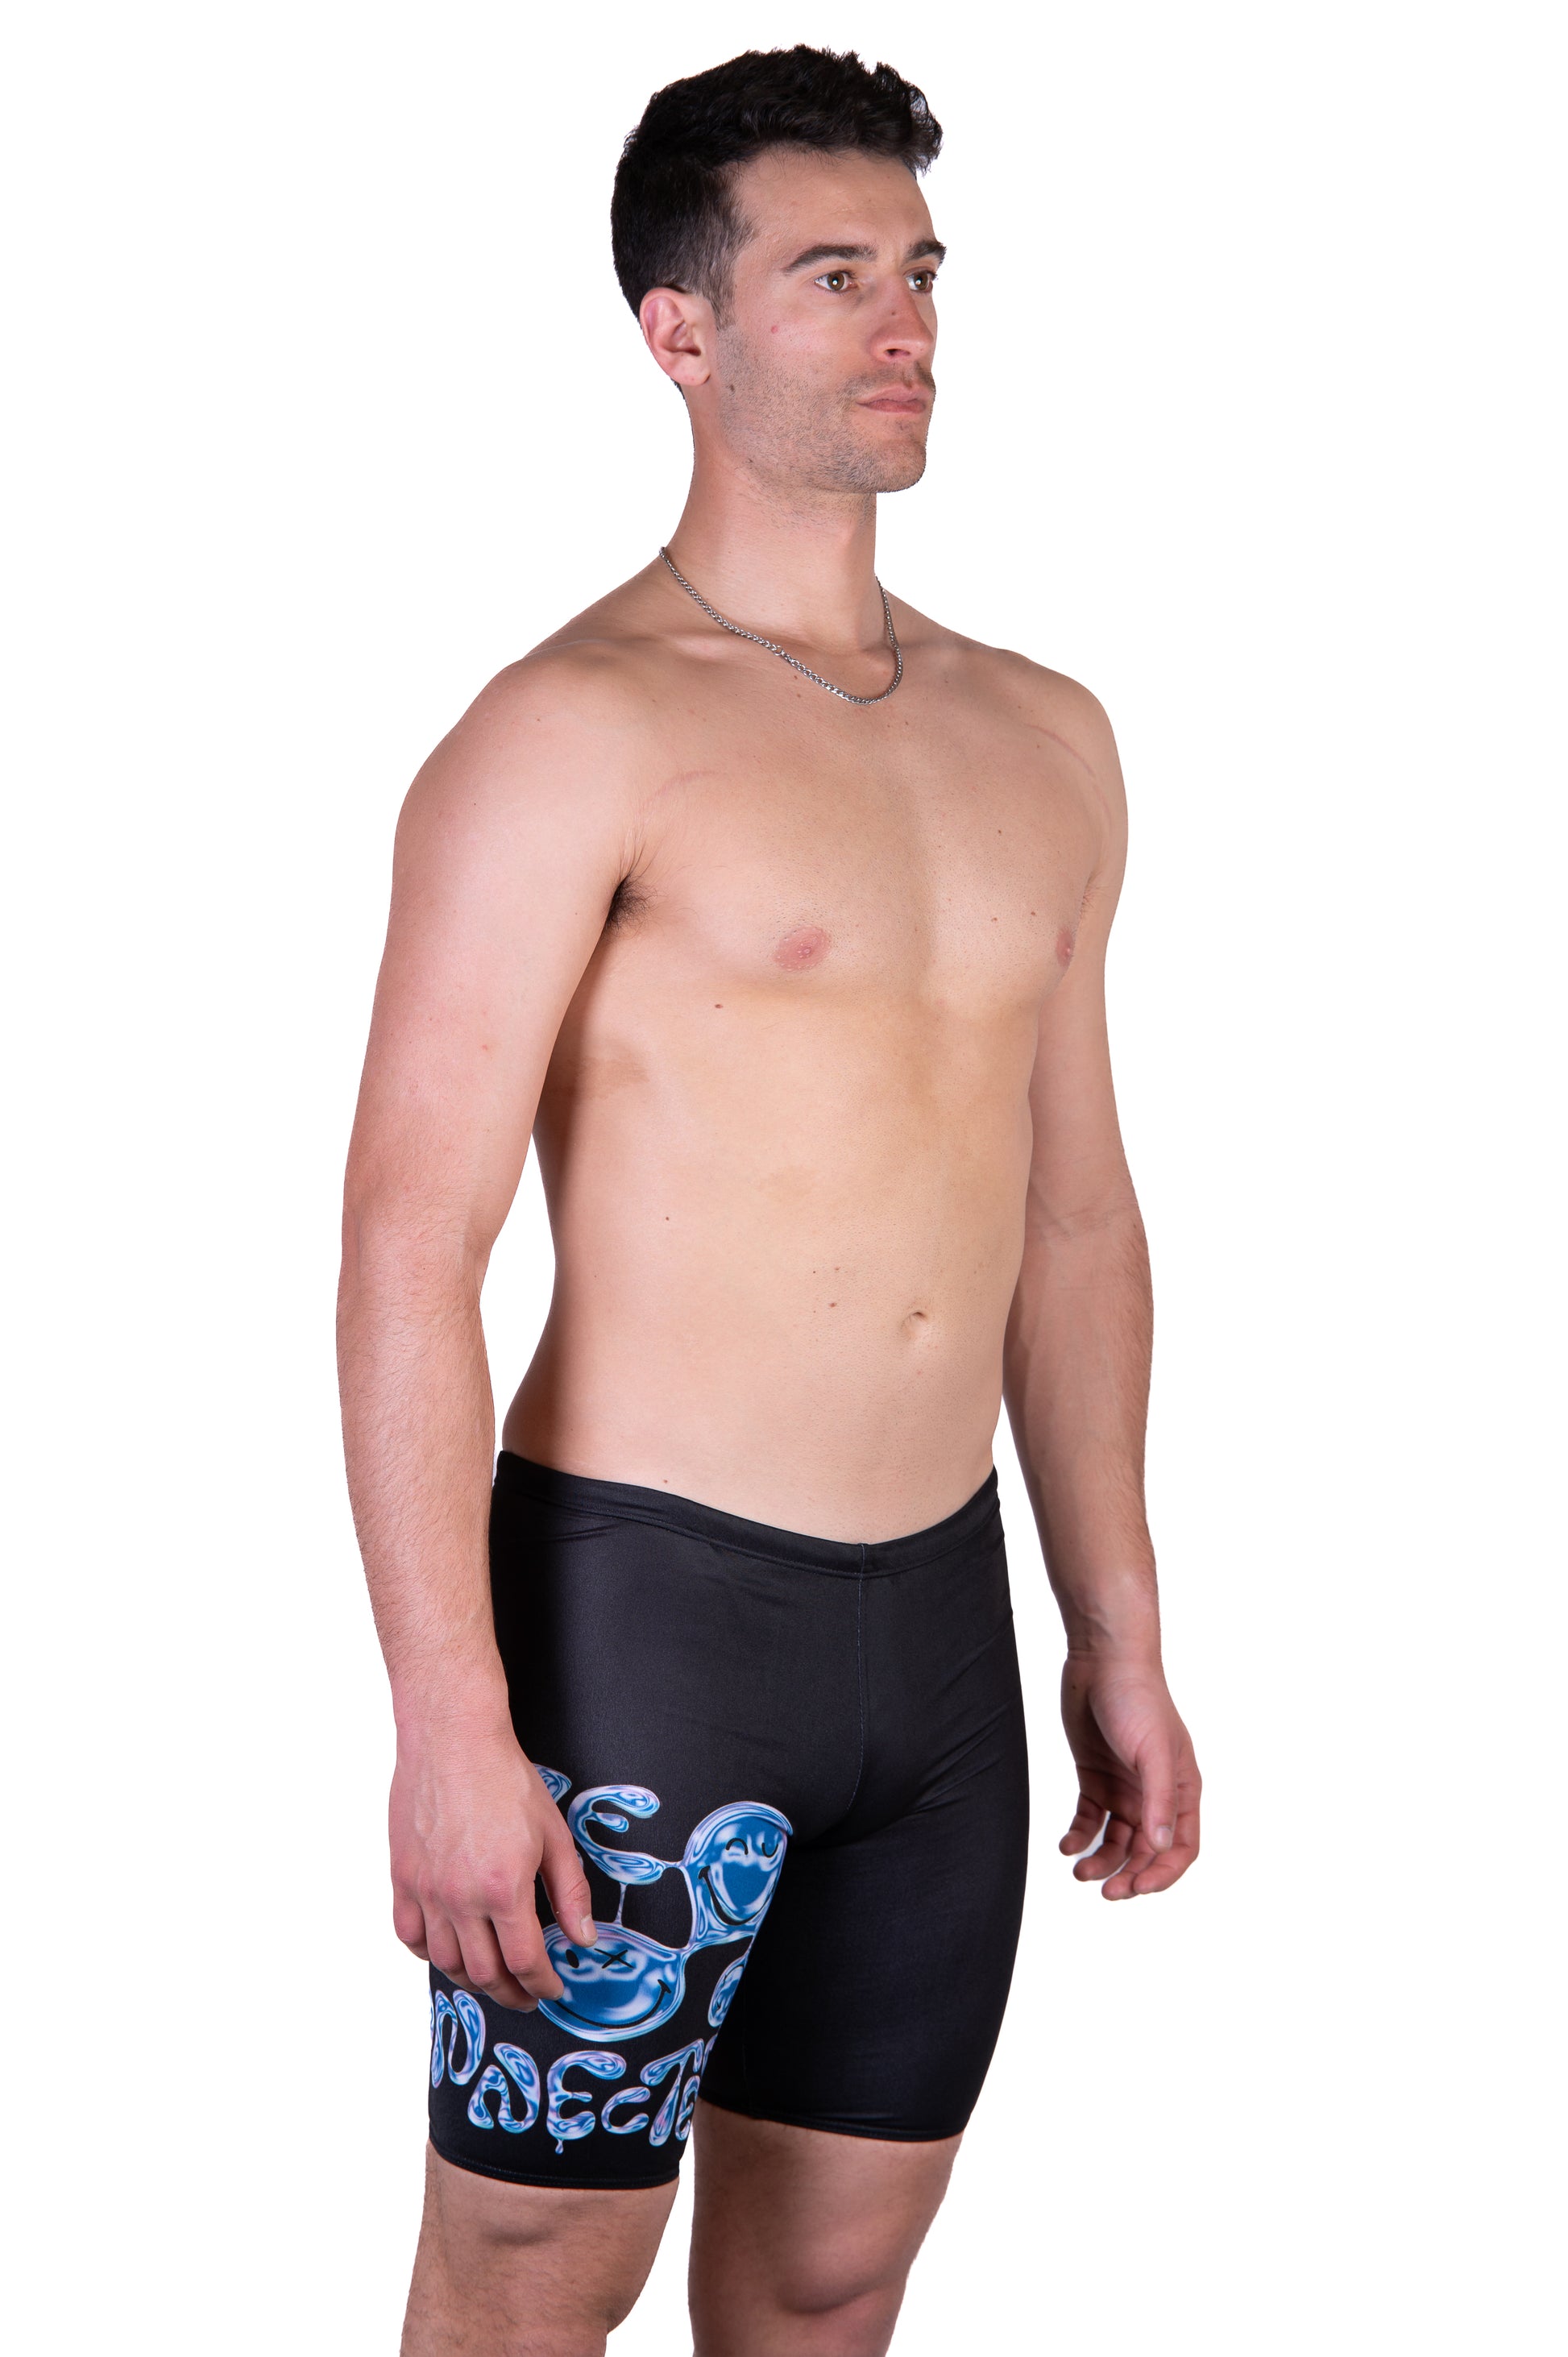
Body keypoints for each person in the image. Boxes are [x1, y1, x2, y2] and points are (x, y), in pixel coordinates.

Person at [338, 43, 1200, 2357]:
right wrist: (447, 1719)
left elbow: (1079, 1221)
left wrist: (1113, 1624)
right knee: (538, 2272)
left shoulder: (1046, 735)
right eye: (834, 276)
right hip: (642, 1619)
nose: (906, 320)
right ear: (680, 332)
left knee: (829, 2282)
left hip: (935, 1633)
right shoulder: (570, 730)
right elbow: (409, 1243)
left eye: (919, 269)